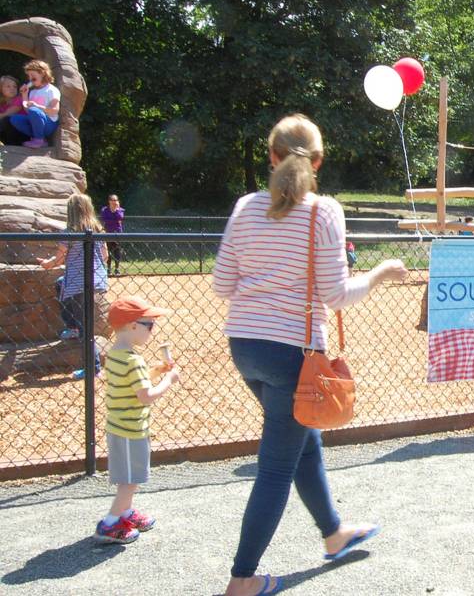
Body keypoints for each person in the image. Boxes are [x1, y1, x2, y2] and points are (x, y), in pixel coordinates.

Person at [212, 114, 408, 596]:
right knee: (277, 466)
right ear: (318, 161)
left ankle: (333, 533)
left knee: (303, 438)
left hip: (246, 346)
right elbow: (337, 294)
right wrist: (381, 273)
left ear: (272, 156)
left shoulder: (244, 207)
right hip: (293, 354)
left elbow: (222, 286)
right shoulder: (324, 212)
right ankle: (242, 579)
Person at [94, 296, 179, 544]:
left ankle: (127, 512)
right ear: (132, 326)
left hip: (118, 427)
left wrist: (153, 371)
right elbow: (146, 396)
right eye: (149, 325)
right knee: (130, 482)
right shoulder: (133, 360)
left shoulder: (115, 355)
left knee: (129, 476)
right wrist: (168, 380)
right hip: (131, 430)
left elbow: (130, 385)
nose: (152, 331)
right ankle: (110, 524)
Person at [38, 194, 109, 377]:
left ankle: (92, 368)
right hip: (96, 280)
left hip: (79, 283)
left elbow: (59, 258)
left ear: (71, 211)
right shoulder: (97, 230)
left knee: (85, 327)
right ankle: (73, 326)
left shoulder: (69, 231)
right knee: (60, 283)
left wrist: (47, 264)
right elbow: (105, 255)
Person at [10, 60, 61, 149]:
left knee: (34, 110)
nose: (30, 78)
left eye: (32, 75)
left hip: (48, 124)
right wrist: (24, 95)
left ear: (42, 73)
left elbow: (54, 110)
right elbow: (27, 111)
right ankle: (38, 138)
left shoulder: (52, 90)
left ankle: (39, 140)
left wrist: (37, 106)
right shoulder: (33, 92)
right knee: (14, 118)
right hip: (34, 122)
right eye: (29, 76)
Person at [101, 195, 126, 276]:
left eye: (116, 200)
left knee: (117, 251)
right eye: (112, 200)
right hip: (107, 233)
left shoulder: (120, 210)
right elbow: (104, 218)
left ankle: (117, 268)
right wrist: (113, 215)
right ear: (109, 201)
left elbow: (120, 218)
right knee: (108, 251)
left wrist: (116, 210)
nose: (114, 201)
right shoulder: (104, 210)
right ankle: (108, 268)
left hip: (117, 233)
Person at [0, 75, 26, 145]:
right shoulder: (2, 103)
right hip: (8, 134)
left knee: (6, 119)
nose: (12, 89)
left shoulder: (19, 99)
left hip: (22, 133)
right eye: (8, 86)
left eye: (15, 86)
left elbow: (8, 113)